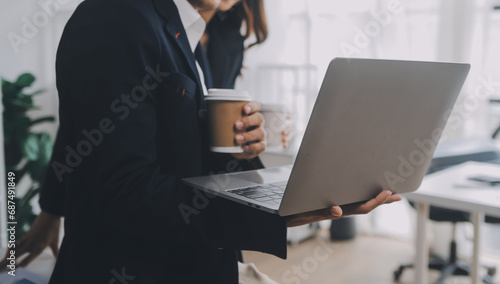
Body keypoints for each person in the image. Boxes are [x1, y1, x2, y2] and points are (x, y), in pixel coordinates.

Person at [1, 0, 401, 283]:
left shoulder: (191, 34)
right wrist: (278, 215)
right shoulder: (115, 18)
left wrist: (243, 149)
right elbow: (119, 183)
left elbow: (181, 153)